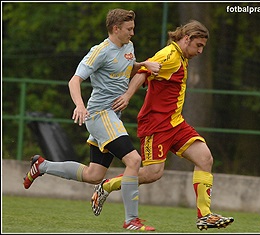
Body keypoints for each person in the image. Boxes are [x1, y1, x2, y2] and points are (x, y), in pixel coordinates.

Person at [22, 8, 161, 231]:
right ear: (116, 29)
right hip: (99, 114)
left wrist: (143, 65)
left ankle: (42, 166)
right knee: (134, 161)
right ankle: (131, 220)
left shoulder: (128, 47)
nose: (132, 33)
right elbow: (74, 80)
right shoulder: (99, 51)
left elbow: (125, 67)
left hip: (112, 116)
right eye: (129, 29)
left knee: (94, 175)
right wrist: (79, 105)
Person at [90, 19, 234, 231]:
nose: (201, 51)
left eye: (203, 46)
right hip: (155, 125)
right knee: (152, 174)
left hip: (175, 122)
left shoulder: (182, 56)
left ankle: (204, 215)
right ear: (187, 39)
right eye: (198, 45)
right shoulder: (169, 55)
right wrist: (128, 95)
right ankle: (107, 185)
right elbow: (142, 72)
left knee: (205, 158)